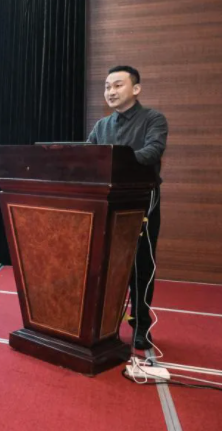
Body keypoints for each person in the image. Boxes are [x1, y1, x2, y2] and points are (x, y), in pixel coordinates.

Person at [87, 65, 168, 350]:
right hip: (106, 201)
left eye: (117, 85)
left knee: (140, 265)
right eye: (107, 86)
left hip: (142, 200)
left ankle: (141, 326)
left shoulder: (153, 119)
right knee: (105, 263)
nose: (110, 91)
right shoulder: (101, 126)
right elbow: (88, 157)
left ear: (136, 89)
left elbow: (152, 151)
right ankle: (103, 324)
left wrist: (116, 162)